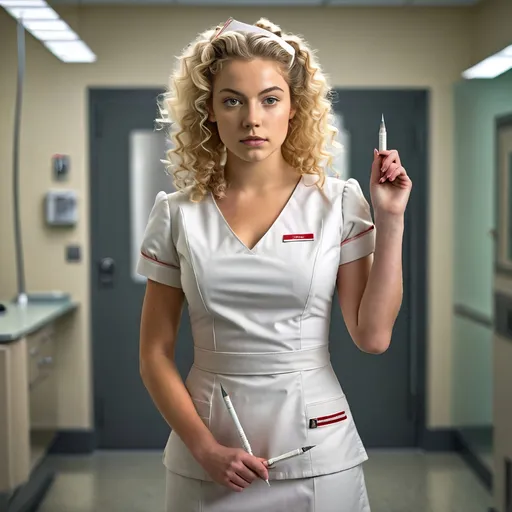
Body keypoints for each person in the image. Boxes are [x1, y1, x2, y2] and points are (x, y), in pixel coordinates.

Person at [136, 16, 412, 512]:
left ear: (294, 108)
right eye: (232, 100)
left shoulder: (339, 204)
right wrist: (205, 449)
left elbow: (373, 337)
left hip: (318, 451)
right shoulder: (177, 213)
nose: (252, 119)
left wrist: (390, 220)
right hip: (208, 453)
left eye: (269, 99)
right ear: (209, 112)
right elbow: (154, 353)